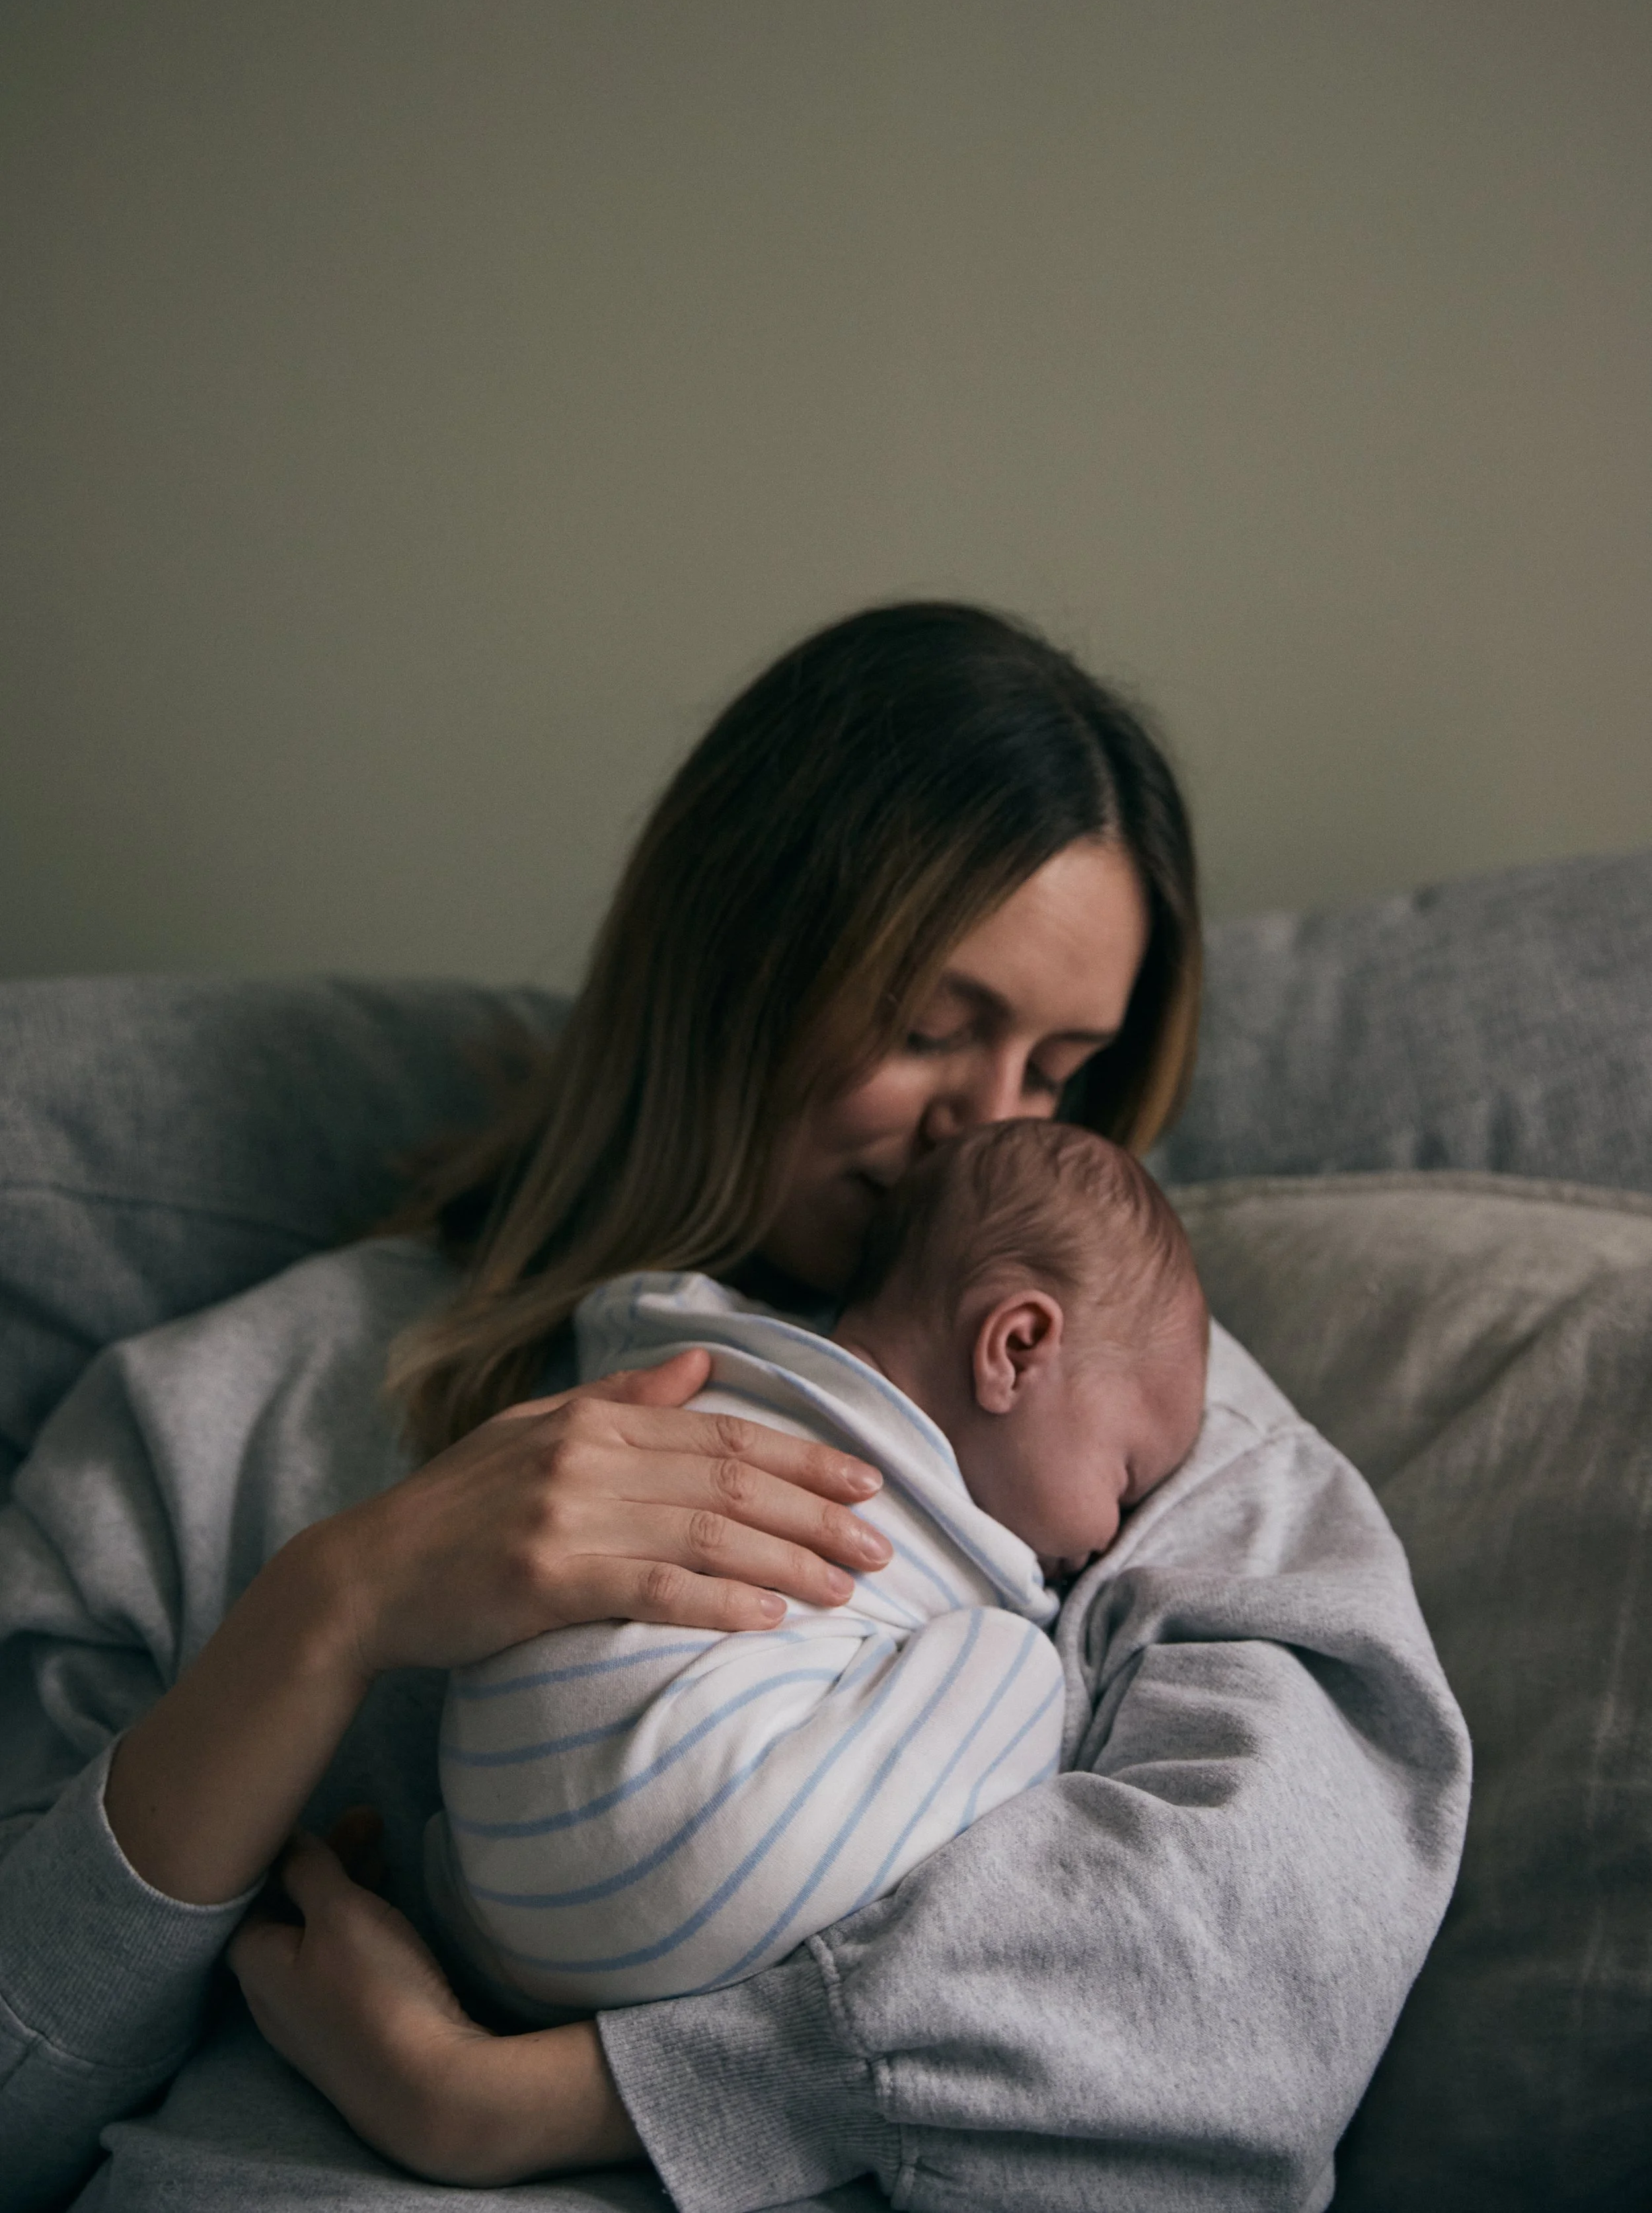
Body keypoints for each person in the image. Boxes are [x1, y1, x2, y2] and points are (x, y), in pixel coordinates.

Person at [0, 601, 1470, 2213]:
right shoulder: (215, 1417)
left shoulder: (1115, 1406)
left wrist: (523, 2101)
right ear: (727, 968)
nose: (981, 1129)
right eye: (928, 1031)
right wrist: (327, 1611)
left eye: (1057, 1073)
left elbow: (1258, 1967)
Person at [430, 1121, 1209, 2017]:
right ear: (1016, 1347)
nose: (1117, 1540)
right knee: (1021, 1671)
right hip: (684, 1869)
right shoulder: (938, 1524)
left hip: (491, 1889)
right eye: (1128, 1476)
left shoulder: (696, 1354)